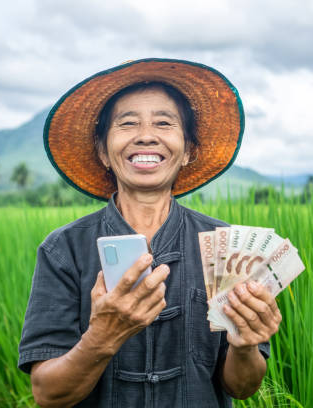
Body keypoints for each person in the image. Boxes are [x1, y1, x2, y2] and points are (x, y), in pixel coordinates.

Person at [18, 58, 283, 407]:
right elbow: (49, 394)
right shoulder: (63, 249)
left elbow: (241, 387)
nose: (146, 135)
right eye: (128, 123)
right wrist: (102, 337)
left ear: (188, 150)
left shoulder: (227, 246)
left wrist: (246, 344)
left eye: (163, 122)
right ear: (103, 152)